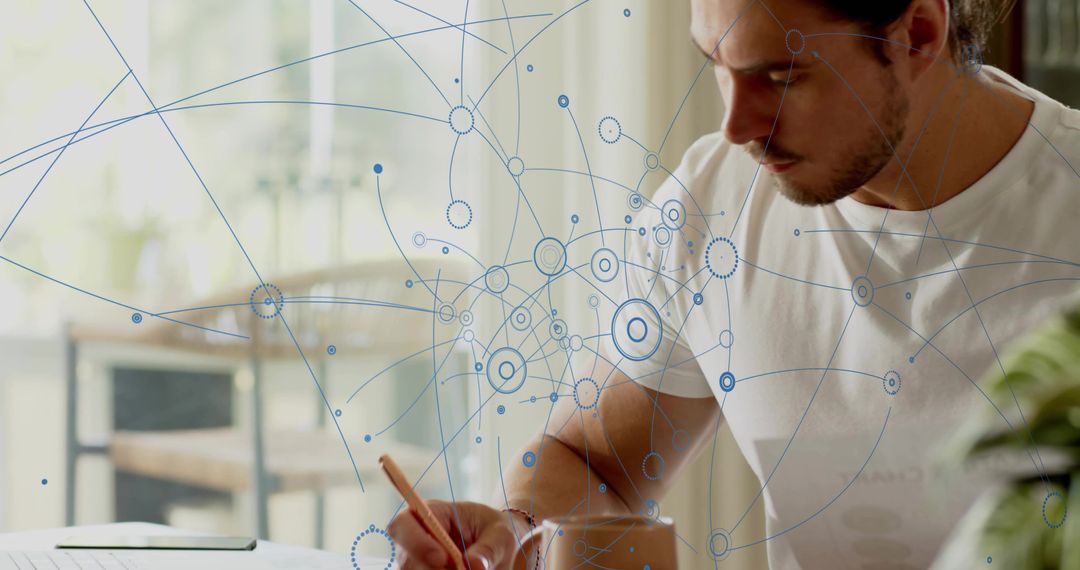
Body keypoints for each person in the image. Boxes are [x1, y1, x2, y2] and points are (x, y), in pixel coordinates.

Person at [390, 0, 1080, 567]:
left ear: (918, 35)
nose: (736, 125)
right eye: (717, 66)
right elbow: (595, 464)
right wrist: (516, 535)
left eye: (780, 78)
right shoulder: (711, 202)